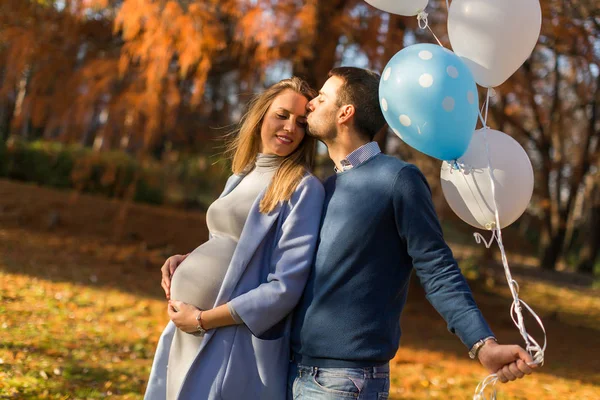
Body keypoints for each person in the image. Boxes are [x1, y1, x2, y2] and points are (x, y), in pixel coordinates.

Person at [288, 67, 537, 399]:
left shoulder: (397, 179)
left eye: (321, 98)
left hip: (344, 380)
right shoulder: (325, 186)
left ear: (345, 113)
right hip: (295, 369)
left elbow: (436, 268)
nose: (311, 105)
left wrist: (482, 344)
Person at [144, 77, 325, 400]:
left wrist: (202, 319)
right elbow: (228, 241)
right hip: (192, 330)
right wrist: (187, 260)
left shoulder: (302, 187)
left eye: (300, 122)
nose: (290, 128)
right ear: (260, 117)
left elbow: (285, 287)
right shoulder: (240, 175)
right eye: (281, 115)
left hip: (229, 337)